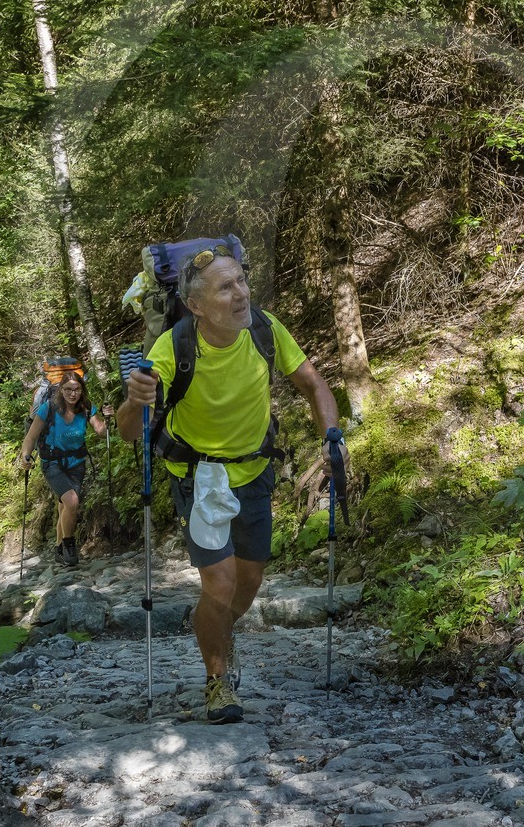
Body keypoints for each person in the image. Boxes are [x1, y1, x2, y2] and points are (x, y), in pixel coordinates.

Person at [117, 242, 345, 723]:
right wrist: (135, 400)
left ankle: (211, 625)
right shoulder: (173, 346)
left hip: (254, 472)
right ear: (197, 306)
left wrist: (331, 433)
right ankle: (217, 682)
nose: (241, 294)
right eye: (226, 287)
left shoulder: (264, 329)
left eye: (242, 280)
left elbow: (314, 384)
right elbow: (130, 430)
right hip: (197, 478)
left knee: (247, 586)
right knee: (220, 585)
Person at [20, 373, 107, 568]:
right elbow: (31, 437)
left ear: (82, 389)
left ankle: (60, 548)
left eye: (76, 389)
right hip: (52, 463)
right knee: (72, 501)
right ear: (61, 390)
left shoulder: (86, 408)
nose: (72, 393)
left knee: (65, 504)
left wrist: (108, 419)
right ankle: (69, 544)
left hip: (76, 462)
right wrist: (25, 456)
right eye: (68, 389)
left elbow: (101, 432)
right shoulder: (48, 408)